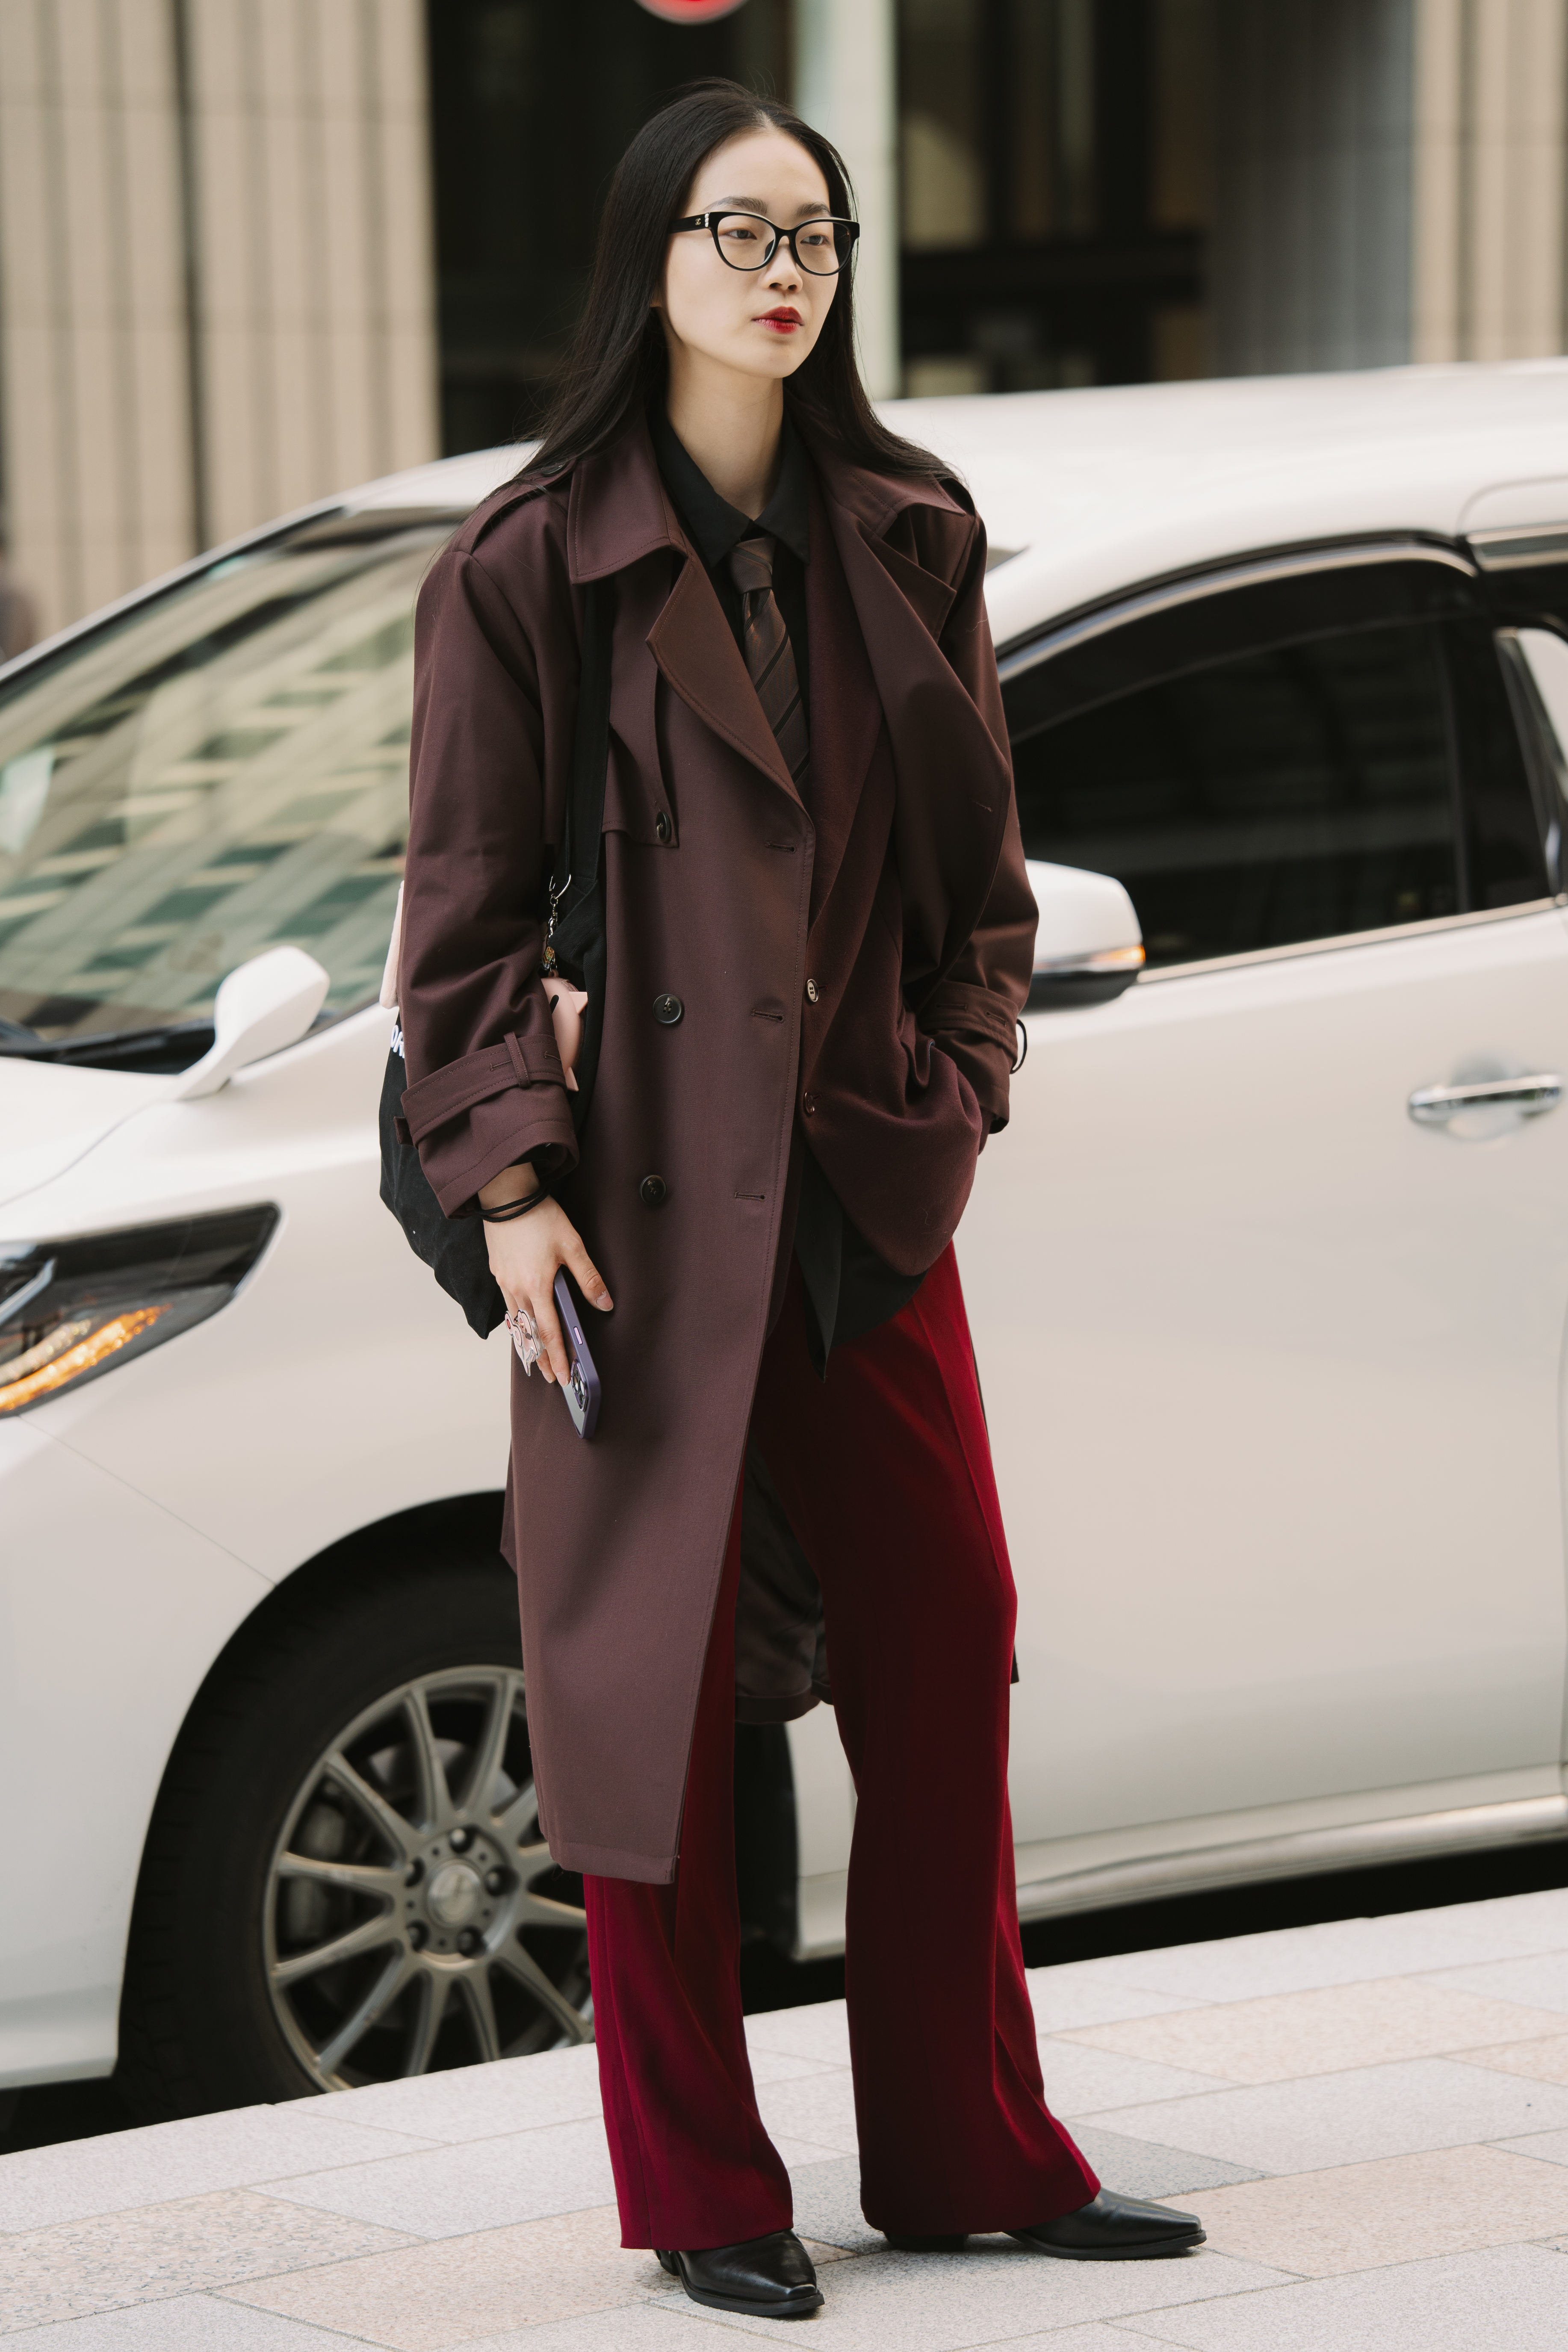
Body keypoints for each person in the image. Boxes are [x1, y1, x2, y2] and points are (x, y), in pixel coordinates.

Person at [397, 79, 1203, 2325]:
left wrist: (949, 1096)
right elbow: (453, 925)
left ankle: (969, 2152)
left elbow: (978, 890)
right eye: (740, 231)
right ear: (649, 259)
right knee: (636, 1703)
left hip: (860, 1203)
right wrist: (511, 1196)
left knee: (942, 1650)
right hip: (627, 1223)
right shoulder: (525, 565)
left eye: (817, 237)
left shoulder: (909, 533)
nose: (783, 270)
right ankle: (700, 2188)